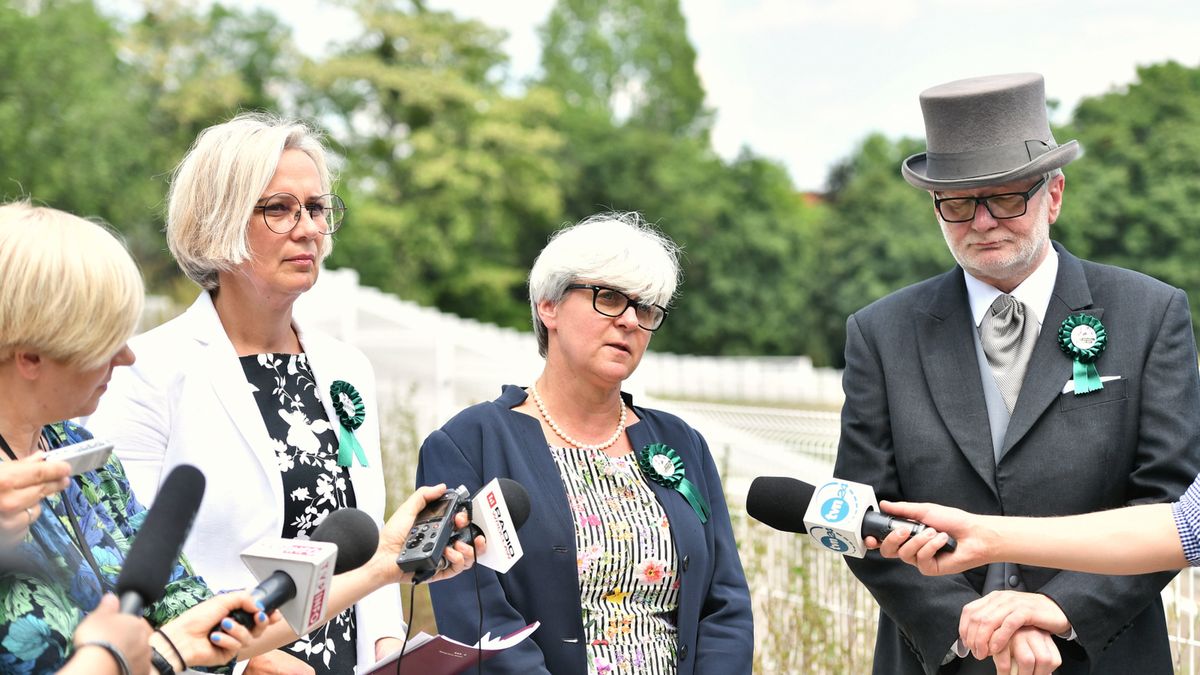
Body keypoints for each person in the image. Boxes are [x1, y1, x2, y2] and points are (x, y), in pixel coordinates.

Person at [832, 72, 1200, 675]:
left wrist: (1056, 608)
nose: (982, 222)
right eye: (957, 203)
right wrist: (975, 631)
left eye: (1006, 197)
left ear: (1054, 195)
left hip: (1096, 654)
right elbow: (861, 514)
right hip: (941, 657)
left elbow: (1173, 508)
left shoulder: (1151, 314)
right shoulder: (879, 333)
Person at [85, 112, 422, 674]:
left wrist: (388, 649)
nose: (309, 227)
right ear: (217, 221)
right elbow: (124, 567)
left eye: (316, 208)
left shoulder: (347, 368)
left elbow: (369, 540)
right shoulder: (147, 370)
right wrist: (247, 665)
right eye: (280, 208)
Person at [415, 212, 753, 674]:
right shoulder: (467, 444)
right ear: (548, 306)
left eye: (646, 308)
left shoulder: (681, 443)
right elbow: (478, 619)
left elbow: (725, 604)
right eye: (609, 297)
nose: (631, 320)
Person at [0, 201, 276, 674]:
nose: (128, 357)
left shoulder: (79, 449)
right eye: (107, 340)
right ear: (30, 355)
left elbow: (186, 613)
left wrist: (382, 566)